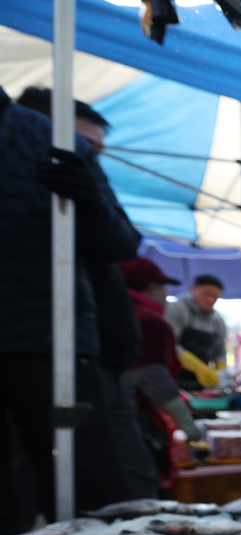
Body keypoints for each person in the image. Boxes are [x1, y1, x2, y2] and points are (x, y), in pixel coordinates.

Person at [17, 87, 157, 499]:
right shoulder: (32, 197)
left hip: (105, 361)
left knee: (125, 488)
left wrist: (92, 202)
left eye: (95, 150)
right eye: (86, 148)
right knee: (109, 494)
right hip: (64, 365)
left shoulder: (86, 200)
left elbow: (124, 240)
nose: (94, 160)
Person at [121, 258, 203, 486]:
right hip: (134, 416)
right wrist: (183, 419)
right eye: (165, 289)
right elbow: (150, 374)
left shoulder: (119, 313)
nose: (167, 296)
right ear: (151, 288)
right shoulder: (148, 321)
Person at [166, 274, 228, 390]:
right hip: (172, 378)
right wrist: (197, 367)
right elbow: (169, 343)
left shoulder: (218, 321)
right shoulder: (176, 309)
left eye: (215, 296)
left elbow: (220, 352)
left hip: (201, 383)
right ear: (192, 289)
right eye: (206, 293)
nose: (210, 299)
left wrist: (221, 371)